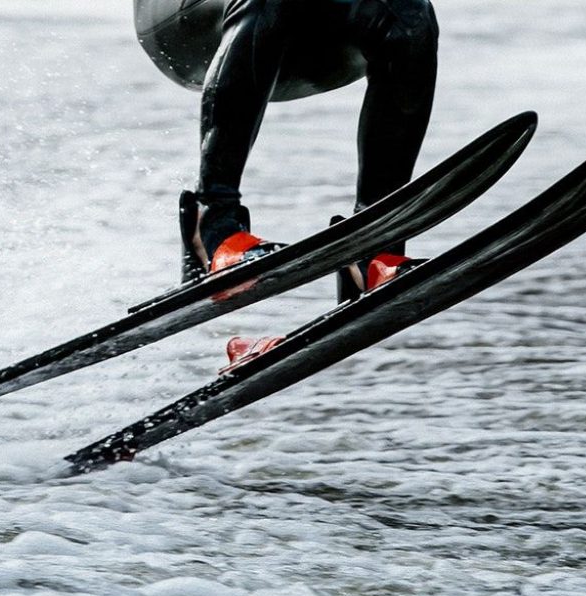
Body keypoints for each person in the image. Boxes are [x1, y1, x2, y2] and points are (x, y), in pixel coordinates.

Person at [133, 0, 439, 366]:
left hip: (299, 27)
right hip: (185, 19)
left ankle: (373, 246)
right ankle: (213, 227)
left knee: (412, 18)